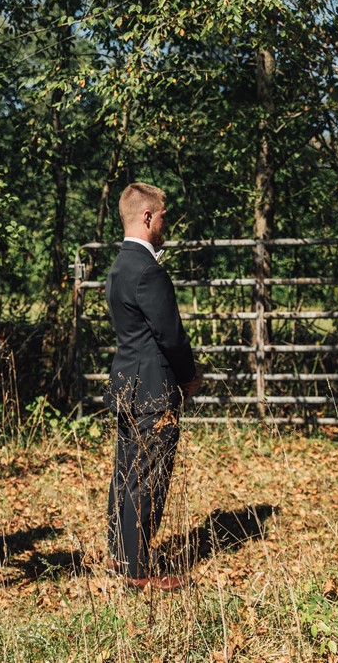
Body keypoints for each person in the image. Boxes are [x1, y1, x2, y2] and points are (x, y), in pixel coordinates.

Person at [104, 183, 203, 591]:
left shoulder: (118, 266)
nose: (166, 223)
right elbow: (171, 336)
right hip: (152, 391)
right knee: (149, 478)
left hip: (127, 384)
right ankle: (139, 571)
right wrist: (190, 377)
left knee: (126, 473)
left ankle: (121, 554)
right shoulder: (148, 270)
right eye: (163, 215)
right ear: (147, 217)